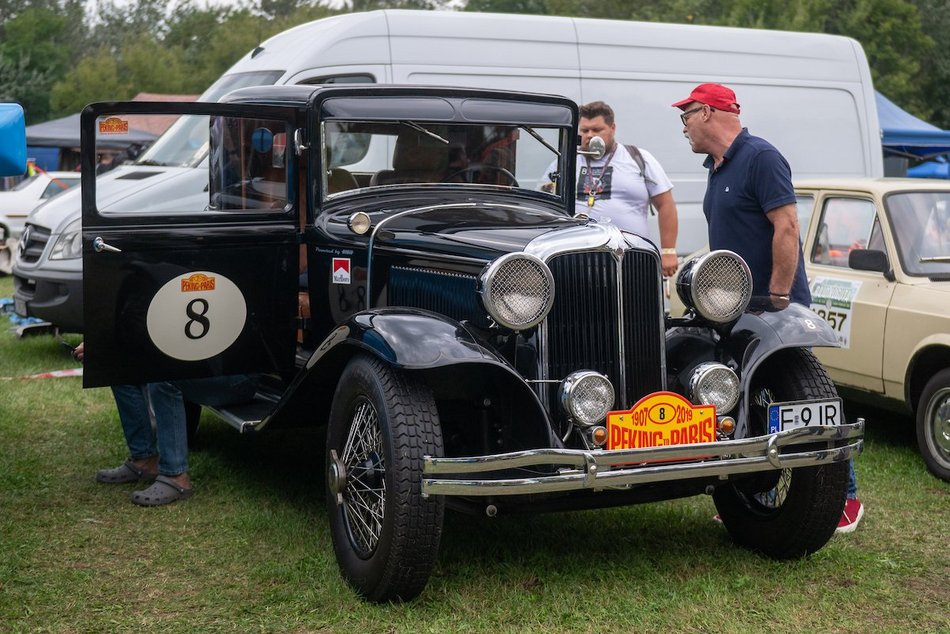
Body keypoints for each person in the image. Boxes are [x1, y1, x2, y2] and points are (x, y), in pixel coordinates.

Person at [672, 82, 863, 533]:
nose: (682, 125)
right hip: (730, 309)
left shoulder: (761, 157)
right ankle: (753, 491)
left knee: (804, 395)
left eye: (685, 115)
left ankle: (846, 497)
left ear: (708, 113)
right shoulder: (716, 167)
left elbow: (788, 225)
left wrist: (778, 298)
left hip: (773, 308)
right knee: (746, 398)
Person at [73, 342, 259, 507]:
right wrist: (102, 345)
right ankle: (144, 460)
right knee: (119, 368)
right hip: (201, 364)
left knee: (164, 377)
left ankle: (176, 477)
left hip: (236, 374)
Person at [543, 100, 680, 277]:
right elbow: (545, 205)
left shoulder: (638, 158)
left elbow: (666, 204)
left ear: (612, 128)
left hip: (631, 259)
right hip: (575, 260)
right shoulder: (563, 163)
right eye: (584, 131)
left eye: (597, 130)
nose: (590, 136)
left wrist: (668, 251)